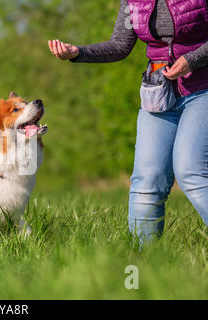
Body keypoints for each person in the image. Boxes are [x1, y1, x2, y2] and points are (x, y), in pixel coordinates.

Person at [48, 0, 208, 242]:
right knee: (148, 180)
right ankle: (145, 266)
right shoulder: (134, 2)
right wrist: (78, 52)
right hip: (160, 92)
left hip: (202, 89)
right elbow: (120, 46)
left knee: (190, 170)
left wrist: (191, 60)